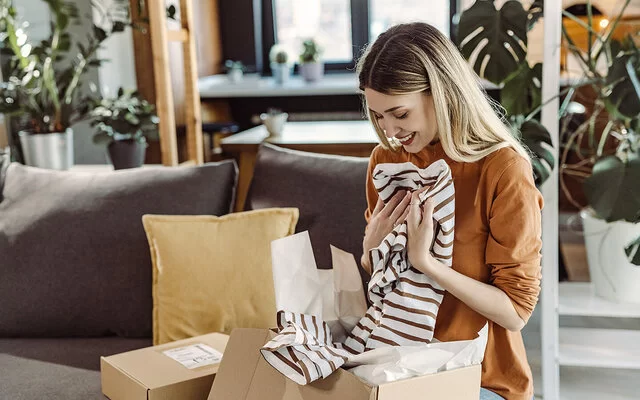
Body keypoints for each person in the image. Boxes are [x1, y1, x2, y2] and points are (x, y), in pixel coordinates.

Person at [357, 23, 542, 400]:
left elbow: (515, 312)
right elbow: (386, 285)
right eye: (378, 116)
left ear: (441, 93)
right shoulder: (387, 161)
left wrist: (428, 263)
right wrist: (370, 252)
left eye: (400, 114)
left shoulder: (502, 169)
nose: (390, 130)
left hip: (479, 378)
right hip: (400, 365)